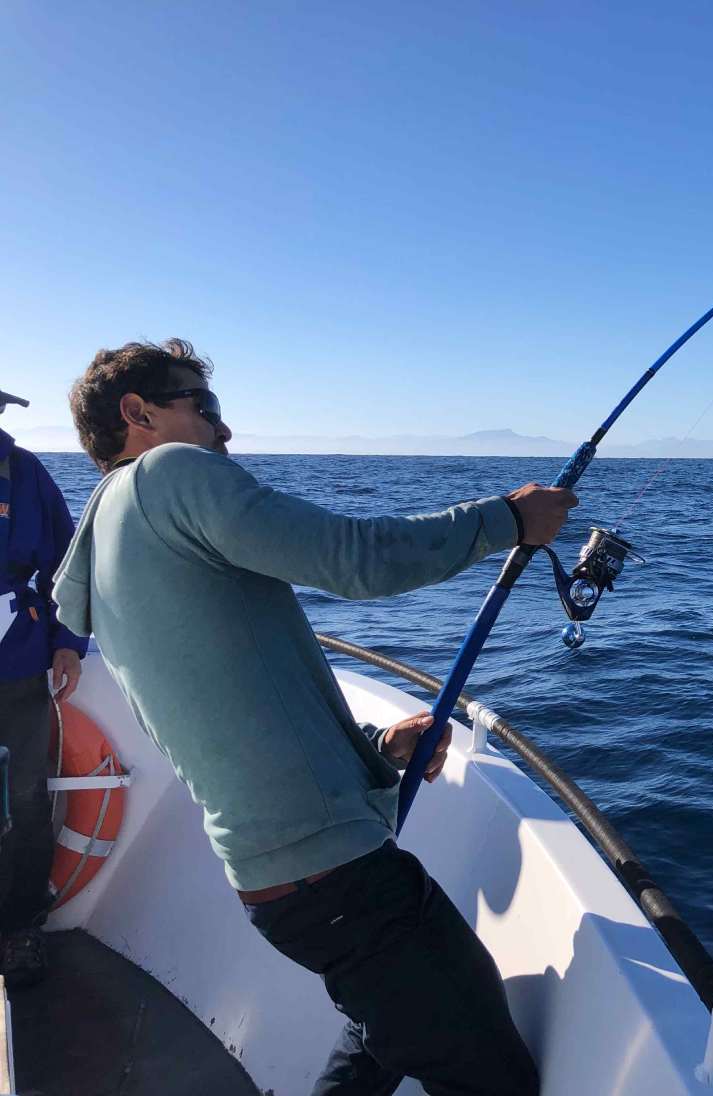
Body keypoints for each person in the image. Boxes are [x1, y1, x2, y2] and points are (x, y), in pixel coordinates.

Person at [54, 340, 575, 1095]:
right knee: (489, 1076)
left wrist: (372, 747)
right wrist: (504, 519)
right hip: (335, 876)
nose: (224, 432)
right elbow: (353, 558)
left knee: (385, 1041)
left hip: (290, 880)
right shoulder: (171, 472)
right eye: (205, 407)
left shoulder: (108, 532)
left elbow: (224, 698)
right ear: (137, 413)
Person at [0, 385, 86, 988]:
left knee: (27, 800)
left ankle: (19, 928)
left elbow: (66, 562)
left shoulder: (27, 473)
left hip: (17, 663)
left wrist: (67, 641)